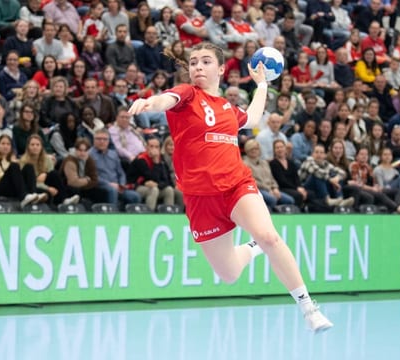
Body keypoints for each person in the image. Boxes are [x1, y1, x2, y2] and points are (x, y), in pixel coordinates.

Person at [128, 42, 333, 332]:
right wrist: (150, 102)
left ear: (222, 69)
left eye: (206, 61)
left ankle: (309, 308)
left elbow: (251, 118)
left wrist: (261, 86)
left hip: (236, 185)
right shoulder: (188, 95)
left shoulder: (227, 108)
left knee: (270, 237)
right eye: (194, 61)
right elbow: (167, 99)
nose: (198, 66)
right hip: (200, 198)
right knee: (229, 273)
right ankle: (252, 247)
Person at [0, 134, 43, 207]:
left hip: (9, 188)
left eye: (8, 144)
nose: (5, 146)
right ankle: (23, 197)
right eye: (3, 143)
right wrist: (2, 174)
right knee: (14, 166)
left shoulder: (10, 159)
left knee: (29, 167)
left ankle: (33, 195)